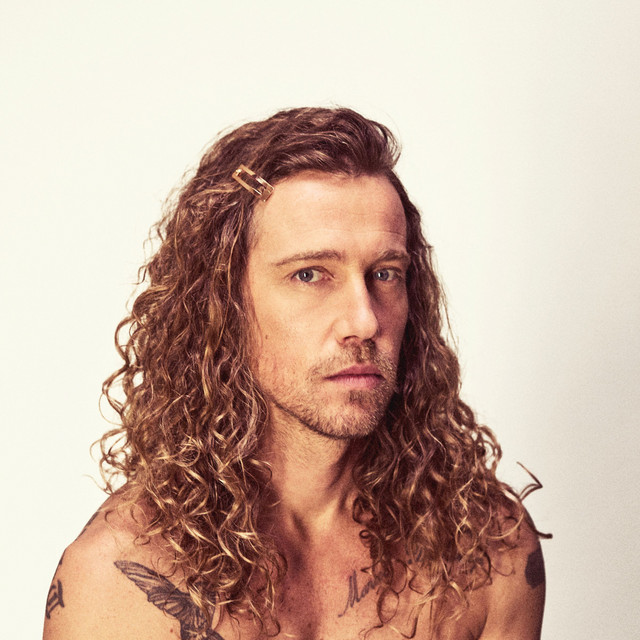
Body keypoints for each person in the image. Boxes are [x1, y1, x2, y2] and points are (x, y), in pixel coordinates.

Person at [43, 107, 547, 640]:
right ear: (222, 305)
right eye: (310, 274)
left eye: (385, 274)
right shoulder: (118, 580)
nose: (364, 320)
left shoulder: (487, 554)